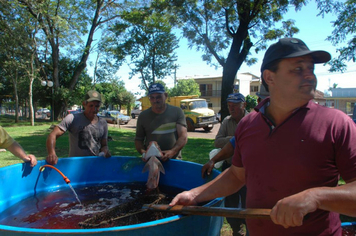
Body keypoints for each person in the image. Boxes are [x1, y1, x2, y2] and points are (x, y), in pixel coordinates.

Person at [170, 38, 356, 235]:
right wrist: (194, 194)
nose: (310, 76)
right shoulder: (248, 125)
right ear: (269, 77)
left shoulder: (337, 123)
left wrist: (315, 197)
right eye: (298, 69)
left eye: (311, 68)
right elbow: (236, 175)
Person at [211, 92, 249, 236]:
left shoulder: (252, 120)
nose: (231, 109)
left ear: (244, 105)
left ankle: (250, 229)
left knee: (248, 202)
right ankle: (236, 230)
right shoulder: (227, 121)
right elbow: (217, 141)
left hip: (247, 170)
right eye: (229, 106)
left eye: (235, 106)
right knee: (230, 202)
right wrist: (234, 138)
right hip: (230, 167)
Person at [46, 90, 111, 165]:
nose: (94, 109)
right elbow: (53, 135)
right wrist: (52, 153)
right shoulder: (72, 118)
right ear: (84, 104)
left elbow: (104, 145)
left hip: (94, 164)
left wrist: (105, 150)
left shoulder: (103, 123)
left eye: (97, 106)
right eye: (91, 105)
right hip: (75, 165)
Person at [135, 83, 188, 161]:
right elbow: (138, 139)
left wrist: (172, 152)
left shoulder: (177, 112)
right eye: (152, 97)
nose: (155, 100)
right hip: (151, 161)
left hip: (174, 160)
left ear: (165, 96)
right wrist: (144, 153)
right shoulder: (143, 116)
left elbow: (183, 136)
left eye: (158, 97)